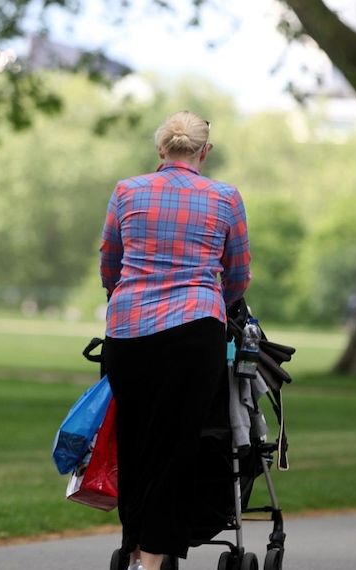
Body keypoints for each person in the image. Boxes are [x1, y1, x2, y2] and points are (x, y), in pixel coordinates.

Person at [99, 110, 251, 570]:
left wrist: (122, 295)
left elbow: (110, 262)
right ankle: (153, 557)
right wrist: (218, 302)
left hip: (128, 331)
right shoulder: (225, 197)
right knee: (178, 443)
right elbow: (238, 273)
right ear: (205, 151)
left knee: (132, 440)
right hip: (194, 330)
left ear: (160, 149)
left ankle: (135, 544)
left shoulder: (127, 191)